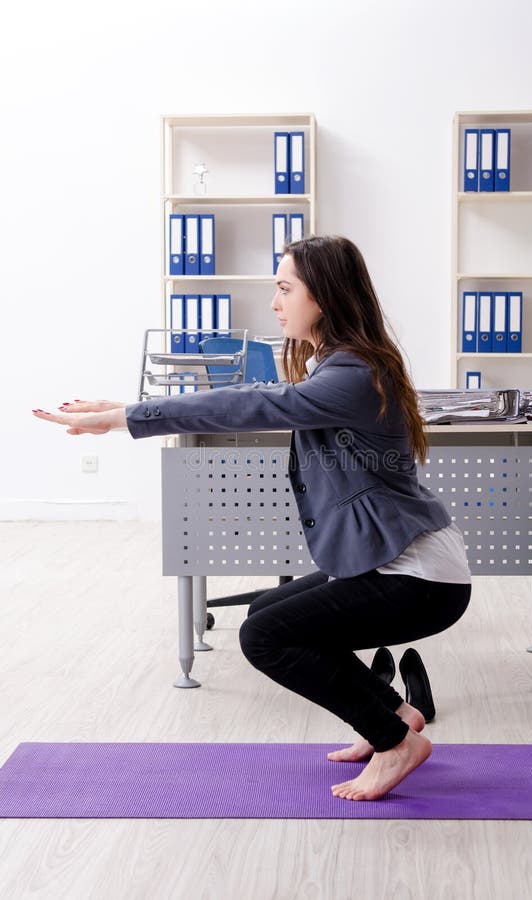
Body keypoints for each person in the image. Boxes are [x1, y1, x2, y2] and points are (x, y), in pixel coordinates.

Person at [33, 235, 471, 801]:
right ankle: (394, 714)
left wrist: (122, 417)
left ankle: (394, 743)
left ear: (326, 295)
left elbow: (253, 401)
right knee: (271, 610)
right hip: (399, 563)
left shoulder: (353, 374)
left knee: (265, 636)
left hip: (419, 580)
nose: (275, 303)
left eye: (285, 288)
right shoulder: (340, 364)